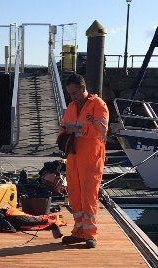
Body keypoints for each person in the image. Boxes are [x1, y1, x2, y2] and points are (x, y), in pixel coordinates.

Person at [57, 73, 108, 248]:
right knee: (75, 195)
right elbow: (63, 127)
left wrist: (78, 128)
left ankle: (90, 234)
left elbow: (101, 129)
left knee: (89, 195)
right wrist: (63, 135)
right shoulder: (71, 107)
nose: (72, 97)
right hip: (73, 156)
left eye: (75, 93)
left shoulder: (98, 105)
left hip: (91, 158)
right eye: (70, 94)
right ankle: (78, 231)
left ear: (83, 88)